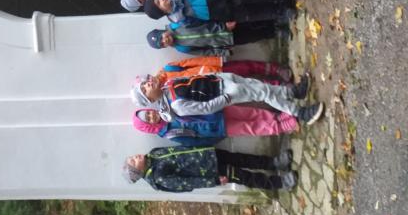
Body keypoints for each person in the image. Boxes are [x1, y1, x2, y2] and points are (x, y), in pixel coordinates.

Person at [130, 72, 324, 124]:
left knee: (258, 85)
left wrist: (217, 75)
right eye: (145, 90)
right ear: (150, 101)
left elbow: (193, 80)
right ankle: (301, 114)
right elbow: (205, 108)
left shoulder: (167, 86)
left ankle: (293, 93)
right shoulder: (176, 106)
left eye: (144, 84)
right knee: (263, 93)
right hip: (225, 92)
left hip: (221, 80)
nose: (148, 85)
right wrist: (227, 98)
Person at [122, 146, 297, 191]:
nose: (135, 156)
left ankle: (274, 163)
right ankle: (280, 183)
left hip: (208, 154)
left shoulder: (153, 154)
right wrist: (214, 181)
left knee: (242, 158)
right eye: (133, 162)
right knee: (245, 177)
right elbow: (186, 183)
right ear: (138, 172)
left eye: (132, 157)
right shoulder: (158, 177)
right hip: (211, 171)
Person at [132, 105, 299, 145]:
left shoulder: (166, 108)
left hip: (215, 112)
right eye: (148, 118)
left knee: (248, 113)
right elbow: (194, 141)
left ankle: (277, 117)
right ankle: (282, 127)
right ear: (148, 127)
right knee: (250, 128)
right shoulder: (169, 133)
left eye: (148, 112)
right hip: (217, 129)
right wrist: (215, 137)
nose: (152, 115)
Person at [142, 0, 296, 26]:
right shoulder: (179, 20)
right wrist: (222, 26)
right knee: (251, 14)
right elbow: (202, 26)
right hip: (220, 15)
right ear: (162, 12)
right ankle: (281, 11)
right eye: (159, 2)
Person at [144, 21, 287, 58]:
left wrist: (222, 25)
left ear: (162, 31)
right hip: (224, 41)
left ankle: (276, 22)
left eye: (161, 38)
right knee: (252, 36)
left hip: (223, 27)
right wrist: (223, 52)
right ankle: (276, 32)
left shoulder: (177, 25)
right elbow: (204, 52)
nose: (165, 41)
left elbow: (201, 20)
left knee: (250, 24)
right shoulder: (181, 48)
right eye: (162, 44)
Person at [153, 55, 293, 85]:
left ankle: (276, 70)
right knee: (249, 83)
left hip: (217, 69)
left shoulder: (168, 68)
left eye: (148, 82)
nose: (152, 83)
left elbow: (193, 62)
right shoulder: (167, 92)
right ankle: (279, 86)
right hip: (215, 85)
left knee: (246, 67)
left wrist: (215, 62)